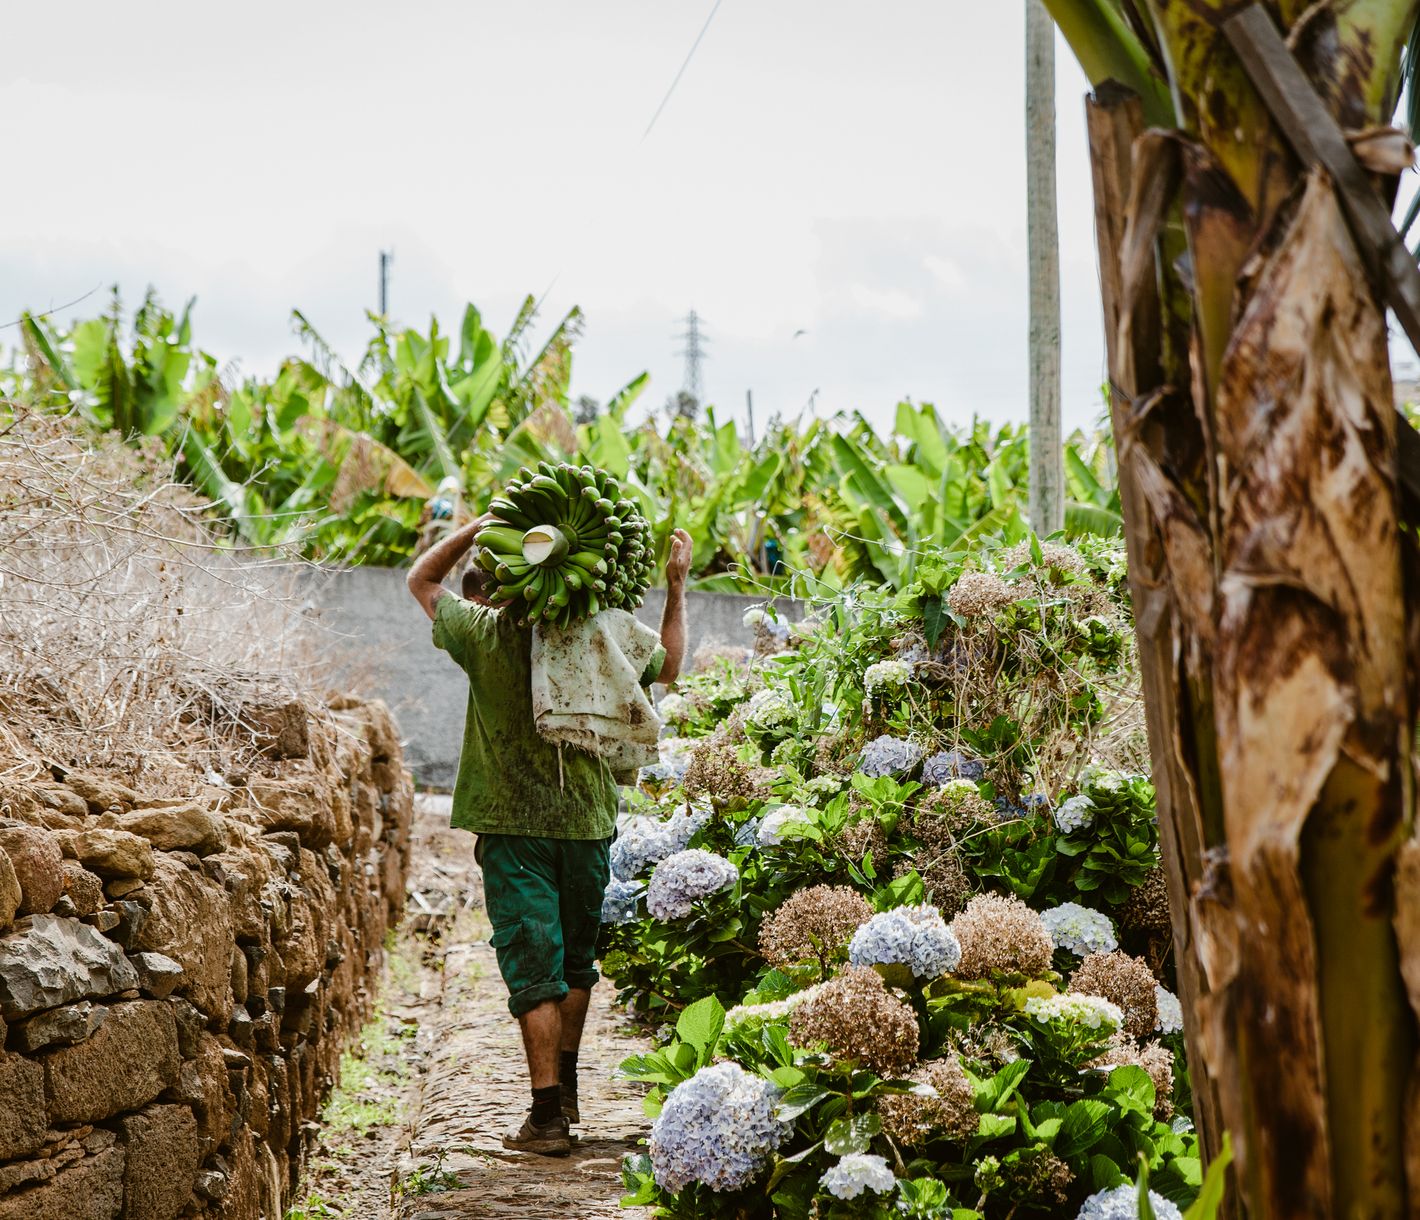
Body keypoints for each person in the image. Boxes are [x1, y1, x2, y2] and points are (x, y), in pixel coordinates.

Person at [407, 513, 692, 1156]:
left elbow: (421, 580)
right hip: (588, 825)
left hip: (512, 826)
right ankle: (564, 1092)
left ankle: (546, 1118)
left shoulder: (483, 632)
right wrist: (675, 586)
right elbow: (670, 665)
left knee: (534, 968)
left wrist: (476, 527)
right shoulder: (602, 636)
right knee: (573, 963)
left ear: (505, 583)